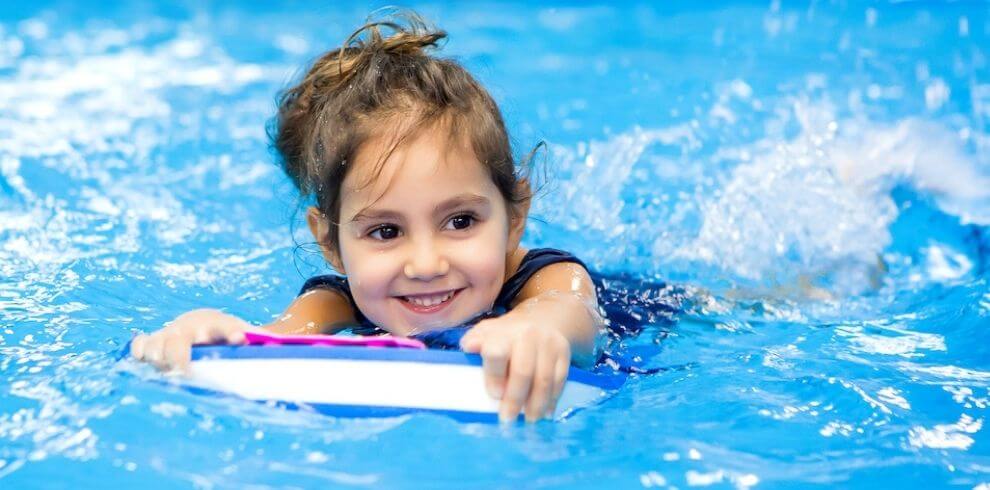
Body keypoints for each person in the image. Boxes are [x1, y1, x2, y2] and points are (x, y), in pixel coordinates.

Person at [130, 11, 605, 423]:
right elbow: (277, 338)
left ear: (514, 215)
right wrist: (209, 334)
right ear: (331, 242)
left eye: (460, 221)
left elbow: (572, 312)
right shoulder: (339, 301)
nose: (425, 264)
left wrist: (535, 329)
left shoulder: (547, 278)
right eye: (385, 231)